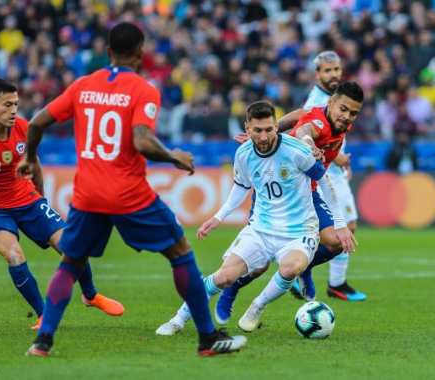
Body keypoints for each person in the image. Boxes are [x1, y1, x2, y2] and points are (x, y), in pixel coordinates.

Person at [19, 22, 246, 357]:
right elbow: (141, 141)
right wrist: (173, 157)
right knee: (180, 252)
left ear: (108, 52)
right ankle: (207, 339)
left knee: (70, 263)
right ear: (141, 52)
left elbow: (37, 121)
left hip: (87, 195)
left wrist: (31, 158)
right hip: (128, 194)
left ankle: (42, 342)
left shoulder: (82, 86)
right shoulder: (143, 90)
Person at [0, 79, 123, 331]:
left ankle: (91, 295)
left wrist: (41, 198)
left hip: (28, 201)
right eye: (7, 105)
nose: (14, 110)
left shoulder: (22, 128)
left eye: (16, 104)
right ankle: (43, 314)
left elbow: (34, 164)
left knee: (73, 246)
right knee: (14, 255)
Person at [156, 100, 323, 336]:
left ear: (276, 126)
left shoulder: (296, 151)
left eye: (268, 129)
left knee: (291, 268)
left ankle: (257, 306)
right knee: (224, 277)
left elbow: (319, 177)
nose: (264, 136)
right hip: (261, 228)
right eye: (257, 130)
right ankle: (178, 319)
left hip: (299, 230)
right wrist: (218, 217)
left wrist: (314, 151)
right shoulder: (243, 154)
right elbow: (241, 187)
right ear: (247, 128)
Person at [217, 81, 364, 329]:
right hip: (275, 195)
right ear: (331, 103)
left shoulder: (334, 120)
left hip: (307, 193)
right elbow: (307, 128)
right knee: (258, 265)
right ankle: (231, 289)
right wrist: (300, 140)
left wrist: (277, 128)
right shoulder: (319, 123)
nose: (347, 116)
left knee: (337, 242)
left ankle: (303, 268)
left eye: (353, 113)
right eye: (343, 109)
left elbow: (298, 115)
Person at [289, 51, 367, 302]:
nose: (333, 74)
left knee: (347, 227)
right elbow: (303, 122)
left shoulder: (341, 99)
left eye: (336, 69)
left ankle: (330, 279)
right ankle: (323, 276)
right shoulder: (320, 98)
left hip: (332, 166)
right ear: (318, 74)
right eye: (327, 70)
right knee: (342, 229)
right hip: (324, 171)